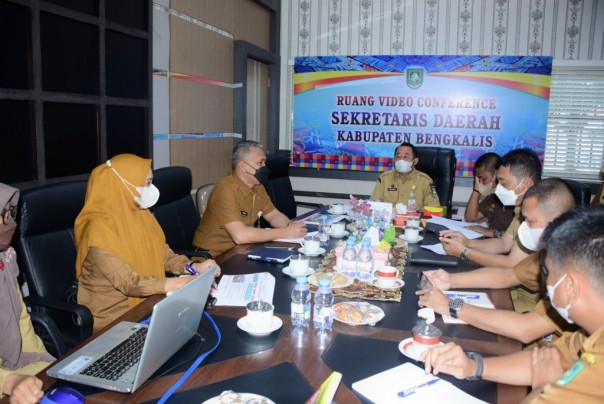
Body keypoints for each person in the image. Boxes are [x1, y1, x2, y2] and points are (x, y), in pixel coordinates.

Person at [421, 205, 604, 402]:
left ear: (570, 286)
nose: (545, 282)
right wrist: (474, 366)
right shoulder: (591, 334)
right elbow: (546, 360)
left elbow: (544, 371)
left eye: (547, 273)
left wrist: (543, 386)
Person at [75, 154, 219, 332]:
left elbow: (164, 256)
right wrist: (181, 283)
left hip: (149, 304)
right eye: (147, 183)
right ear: (123, 187)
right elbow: (129, 283)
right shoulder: (98, 230)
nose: (152, 189)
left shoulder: (141, 214)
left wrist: (194, 267)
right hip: (112, 320)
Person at [419, 178, 577, 317]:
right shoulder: (545, 256)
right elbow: (507, 276)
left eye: (530, 222)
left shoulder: (578, 266)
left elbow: (527, 328)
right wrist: (450, 280)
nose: (524, 228)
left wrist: (451, 306)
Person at [192, 141, 307, 257]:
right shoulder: (225, 190)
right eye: (260, 163)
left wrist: (290, 225)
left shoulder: (257, 185)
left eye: (265, 163)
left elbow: (273, 215)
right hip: (214, 257)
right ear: (243, 166)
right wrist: (285, 233)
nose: (265, 167)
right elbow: (240, 236)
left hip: (241, 250)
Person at [439, 148, 542, 268]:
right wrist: (467, 242)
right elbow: (503, 243)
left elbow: (510, 265)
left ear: (526, 184)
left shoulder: (540, 214)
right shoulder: (520, 208)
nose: (499, 189)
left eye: (504, 183)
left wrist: (464, 252)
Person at [0, 183, 54, 403]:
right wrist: (10, 382)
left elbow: (21, 321)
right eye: (2, 215)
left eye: (9, 213)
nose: (9, 223)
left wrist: (46, 365)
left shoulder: (4, 259)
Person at [369, 142, 440, 210]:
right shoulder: (384, 178)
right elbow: (374, 204)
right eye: (398, 157)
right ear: (394, 160)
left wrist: (420, 209)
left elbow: (434, 208)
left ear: (415, 161)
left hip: (414, 221)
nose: (401, 160)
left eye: (406, 157)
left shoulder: (426, 181)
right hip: (390, 221)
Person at [463, 152, 515, 238]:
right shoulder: (492, 197)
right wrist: (477, 190)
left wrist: (488, 231)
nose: (480, 183)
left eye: (483, 178)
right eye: (478, 179)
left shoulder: (516, 197)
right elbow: (470, 217)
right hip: (492, 245)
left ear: (497, 174)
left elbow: (518, 237)